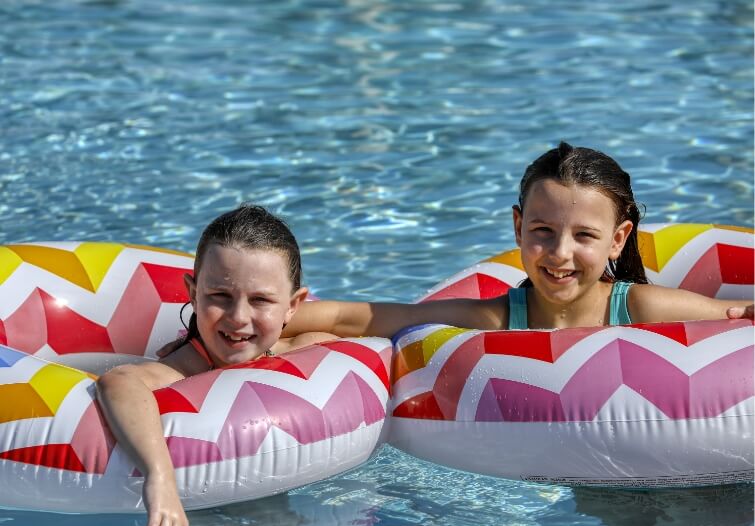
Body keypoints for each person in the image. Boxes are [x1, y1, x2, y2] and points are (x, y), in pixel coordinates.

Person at [282, 142, 753, 340]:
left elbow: (737, 317)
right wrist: (263, 317)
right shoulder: (496, 318)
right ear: (517, 228)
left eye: (585, 235)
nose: (560, 253)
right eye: (542, 232)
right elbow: (361, 317)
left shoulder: (642, 309)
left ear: (618, 239)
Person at [96, 205, 337, 526]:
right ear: (193, 294)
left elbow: (363, 337)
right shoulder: (180, 369)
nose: (238, 317)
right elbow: (119, 381)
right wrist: (160, 476)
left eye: (261, 300)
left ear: (293, 306)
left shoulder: (305, 351)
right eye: (220, 296)